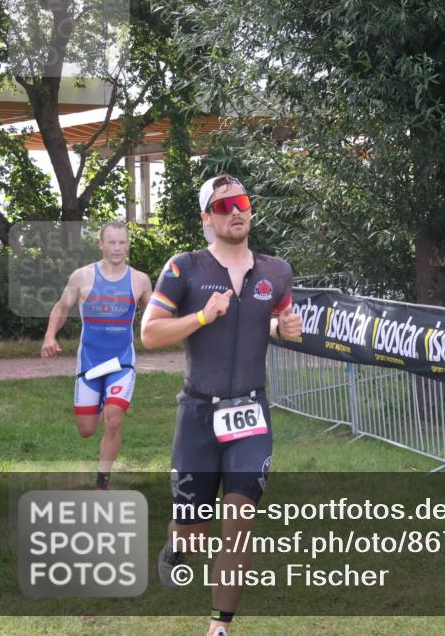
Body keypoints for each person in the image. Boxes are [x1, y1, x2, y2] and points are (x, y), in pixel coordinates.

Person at [141, 173, 302, 636]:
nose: (236, 211)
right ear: (207, 217)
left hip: (251, 415)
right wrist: (201, 315)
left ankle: (219, 627)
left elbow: (269, 321)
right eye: (223, 204)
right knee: (193, 529)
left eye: (242, 202)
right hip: (197, 416)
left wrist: (282, 329)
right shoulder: (184, 269)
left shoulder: (277, 271)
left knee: (239, 519)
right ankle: (177, 546)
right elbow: (149, 334)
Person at [41, 220, 153, 490]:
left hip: (122, 361)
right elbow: (61, 307)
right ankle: (104, 400)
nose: (117, 247)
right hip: (90, 362)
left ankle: (102, 481)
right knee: (87, 429)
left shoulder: (140, 280)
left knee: (113, 416)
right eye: (111, 242)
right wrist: (49, 336)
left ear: (128, 245)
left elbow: (154, 315)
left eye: (122, 242)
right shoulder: (82, 277)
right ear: (101, 244)